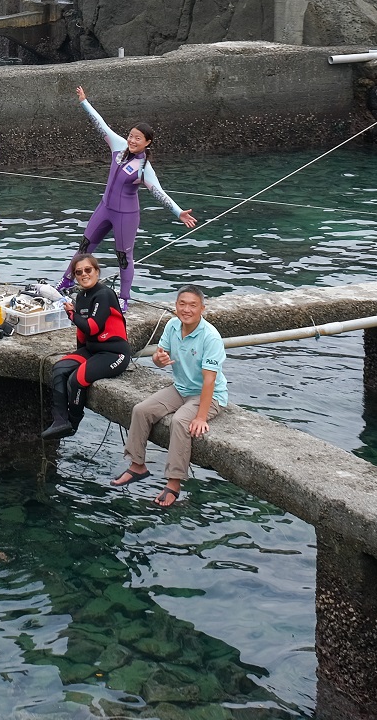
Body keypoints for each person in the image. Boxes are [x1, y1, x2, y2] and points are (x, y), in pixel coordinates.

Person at [65, 85, 197, 303]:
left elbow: (159, 193)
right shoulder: (118, 145)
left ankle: (124, 298)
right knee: (85, 246)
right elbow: (101, 125)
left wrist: (179, 213)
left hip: (125, 215)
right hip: (104, 208)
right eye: (131, 136)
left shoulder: (144, 168)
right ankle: (66, 281)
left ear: (147, 142)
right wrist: (84, 102)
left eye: (138, 139)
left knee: (123, 258)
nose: (133, 141)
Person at [114, 285, 227, 508]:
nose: (186, 309)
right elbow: (159, 356)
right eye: (182, 304)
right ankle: (137, 465)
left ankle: (174, 483)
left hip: (209, 395)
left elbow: (210, 381)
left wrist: (201, 417)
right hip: (181, 388)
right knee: (141, 410)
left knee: (180, 421)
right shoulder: (173, 325)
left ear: (202, 308)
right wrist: (159, 360)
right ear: (176, 306)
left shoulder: (210, 337)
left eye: (193, 305)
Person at [39, 254, 132, 439]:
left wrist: (72, 315)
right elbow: (83, 334)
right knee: (59, 368)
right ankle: (59, 421)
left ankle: (72, 424)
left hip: (114, 353)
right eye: (78, 272)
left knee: (77, 379)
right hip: (92, 350)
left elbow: (93, 326)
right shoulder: (81, 296)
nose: (84, 274)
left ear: (96, 272)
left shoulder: (104, 294)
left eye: (88, 270)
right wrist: (77, 353)